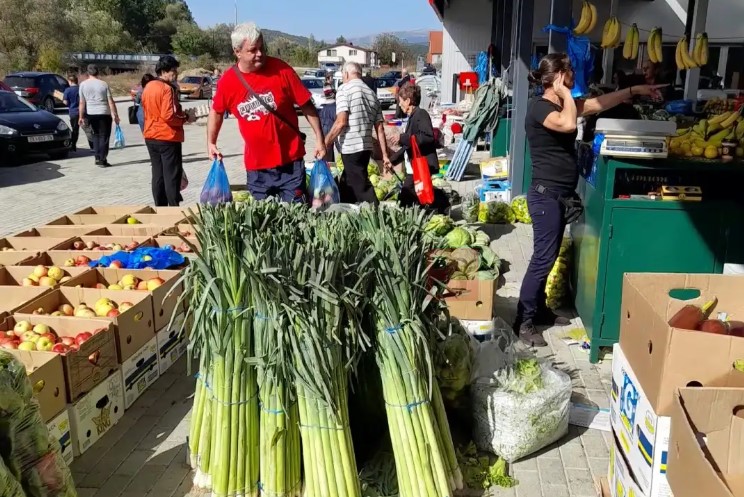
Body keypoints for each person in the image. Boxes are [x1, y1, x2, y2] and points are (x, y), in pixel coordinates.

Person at [514, 53, 666, 346]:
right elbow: (570, 125)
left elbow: (600, 103)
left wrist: (633, 91)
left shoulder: (561, 104)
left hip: (558, 197)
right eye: (568, 70)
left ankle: (541, 309)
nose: (574, 73)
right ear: (558, 75)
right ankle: (524, 320)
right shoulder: (539, 107)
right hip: (545, 198)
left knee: (549, 255)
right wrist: (565, 93)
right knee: (542, 259)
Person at [208, 22, 325, 203]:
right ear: (237, 52)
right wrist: (211, 142)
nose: (260, 54)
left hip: (291, 163)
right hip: (257, 168)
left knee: (297, 217)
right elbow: (216, 112)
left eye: (262, 48)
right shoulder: (228, 82)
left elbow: (306, 105)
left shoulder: (281, 70)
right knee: (263, 222)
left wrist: (319, 139)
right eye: (253, 50)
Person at [324, 62, 390, 204]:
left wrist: (326, 142)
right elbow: (380, 128)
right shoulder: (372, 94)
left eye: (342, 75)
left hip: (351, 147)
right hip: (366, 148)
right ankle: (344, 212)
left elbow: (341, 121)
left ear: (346, 74)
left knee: (361, 187)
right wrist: (384, 155)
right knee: (347, 184)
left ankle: (377, 215)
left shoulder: (344, 89)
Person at [388, 83, 449, 213]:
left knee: (407, 193)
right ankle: (437, 207)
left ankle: (441, 203)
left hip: (422, 164)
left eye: (401, 101)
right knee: (416, 193)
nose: (399, 105)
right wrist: (393, 160)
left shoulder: (421, 114)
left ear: (408, 101)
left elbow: (427, 137)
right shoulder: (412, 117)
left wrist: (402, 138)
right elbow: (409, 145)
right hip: (416, 165)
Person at [142, 56, 193, 206]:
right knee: (171, 174)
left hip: (151, 135)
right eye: (173, 71)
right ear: (164, 71)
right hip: (168, 137)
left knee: (157, 174)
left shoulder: (148, 87)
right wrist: (185, 117)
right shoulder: (167, 89)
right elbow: (169, 115)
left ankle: (160, 205)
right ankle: (173, 206)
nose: (175, 74)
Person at [78, 65, 119, 167]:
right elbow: (111, 102)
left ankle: (97, 157)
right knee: (104, 136)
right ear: (97, 72)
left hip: (91, 113)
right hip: (104, 113)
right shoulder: (103, 84)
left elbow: (82, 102)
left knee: (95, 135)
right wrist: (115, 115)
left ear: (88, 73)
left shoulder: (83, 85)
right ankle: (102, 158)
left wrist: (81, 116)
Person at [62, 74, 80, 152]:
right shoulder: (81, 89)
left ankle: (73, 145)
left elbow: (65, 102)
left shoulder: (67, 90)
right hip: (84, 111)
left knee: (75, 129)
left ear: (70, 81)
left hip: (73, 112)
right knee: (89, 129)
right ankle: (93, 145)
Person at [319, 87, 337, 163]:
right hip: (332, 132)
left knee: (325, 151)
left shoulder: (321, 107)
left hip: (322, 131)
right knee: (331, 151)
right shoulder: (335, 107)